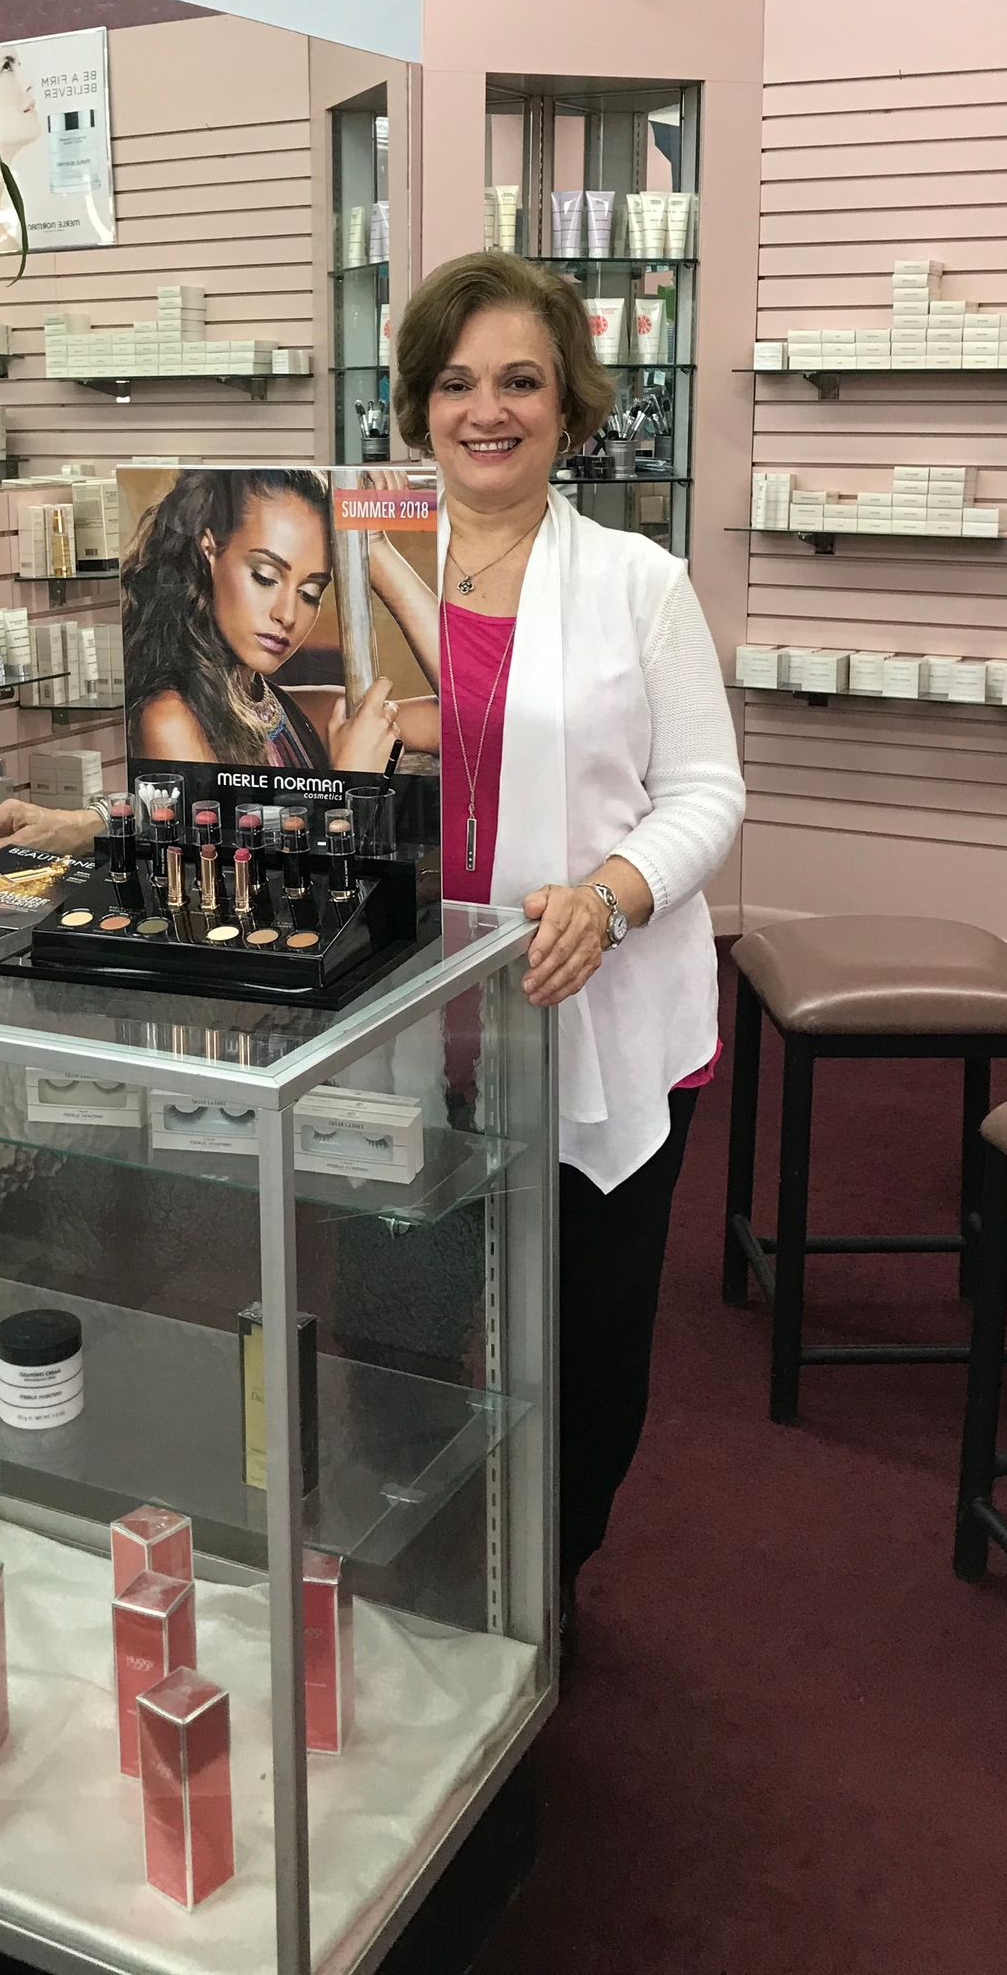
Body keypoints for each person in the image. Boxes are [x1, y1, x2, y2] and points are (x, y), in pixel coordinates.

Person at [396, 248, 743, 1649]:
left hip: (601, 1023)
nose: (490, 410)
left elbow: (708, 792)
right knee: (406, 1329)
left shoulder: (636, 583)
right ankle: (416, 1582)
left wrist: (607, 894)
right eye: (459, 381)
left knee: (586, 1355)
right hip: (405, 1026)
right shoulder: (357, 565)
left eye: (521, 381)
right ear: (418, 403)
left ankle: (545, 1582)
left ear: (569, 406)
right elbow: (264, 760)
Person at [0, 463, 438, 855]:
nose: (287, 613)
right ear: (210, 550)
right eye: (265, 576)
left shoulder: (288, 711)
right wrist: (349, 784)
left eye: (310, 592)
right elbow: (230, 862)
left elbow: (471, 714)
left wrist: (377, 553)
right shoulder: (171, 714)